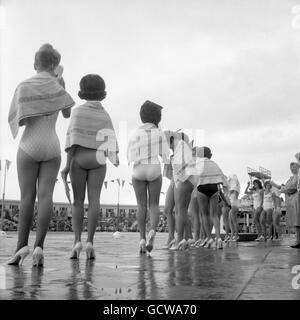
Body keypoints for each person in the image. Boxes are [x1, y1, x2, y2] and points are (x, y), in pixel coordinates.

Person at [7, 44, 75, 266]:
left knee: (27, 197)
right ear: (54, 64)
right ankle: (39, 247)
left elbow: (21, 120)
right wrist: (60, 85)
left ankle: (20, 248)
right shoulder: (57, 86)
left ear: (35, 63)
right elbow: (66, 113)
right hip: (52, 146)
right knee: (45, 196)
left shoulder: (24, 85)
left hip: (30, 144)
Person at [61, 74, 119, 259]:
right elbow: (110, 143)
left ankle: (77, 241)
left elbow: (73, 142)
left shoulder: (78, 112)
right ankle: (90, 243)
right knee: (95, 201)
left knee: (78, 201)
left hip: (79, 158)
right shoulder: (105, 115)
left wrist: (67, 165)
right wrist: (114, 158)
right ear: (102, 93)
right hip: (98, 160)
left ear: (82, 91)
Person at [127, 100, 170, 254]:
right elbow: (165, 157)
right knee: (153, 204)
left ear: (142, 116)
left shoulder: (135, 133)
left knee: (141, 206)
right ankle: (153, 230)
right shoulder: (159, 133)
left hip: (138, 169)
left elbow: (129, 155)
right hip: (153, 168)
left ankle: (142, 239)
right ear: (157, 117)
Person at [194, 147, 229, 249]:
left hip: (202, 188)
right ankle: (218, 238)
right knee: (214, 215)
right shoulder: (213, 164)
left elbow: (192, 177)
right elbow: (222, 178)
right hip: (214, 188)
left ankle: (209, 238)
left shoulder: (198, 163)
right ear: (209, 154)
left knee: (204, 215)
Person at [271, 162, 300, 248]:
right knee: (296, 222)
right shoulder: (293, 177)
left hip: (296, 200)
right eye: (291, 168)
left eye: (294, 167)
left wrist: (277, 186)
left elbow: (291, 188)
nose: (292, 169)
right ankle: (298, 240)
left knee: (297, 221)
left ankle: (298, 241)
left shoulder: (297, 177)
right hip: (292, 201)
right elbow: (288, 187)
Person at [228, 174, 241, 241]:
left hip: (235, 205)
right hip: (232, 205)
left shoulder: (235, 190)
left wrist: (231, 190)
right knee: (230, 221)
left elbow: (235, 194)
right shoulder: (231, 190)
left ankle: (236, 235)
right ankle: (232, 235)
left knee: (234, 221)